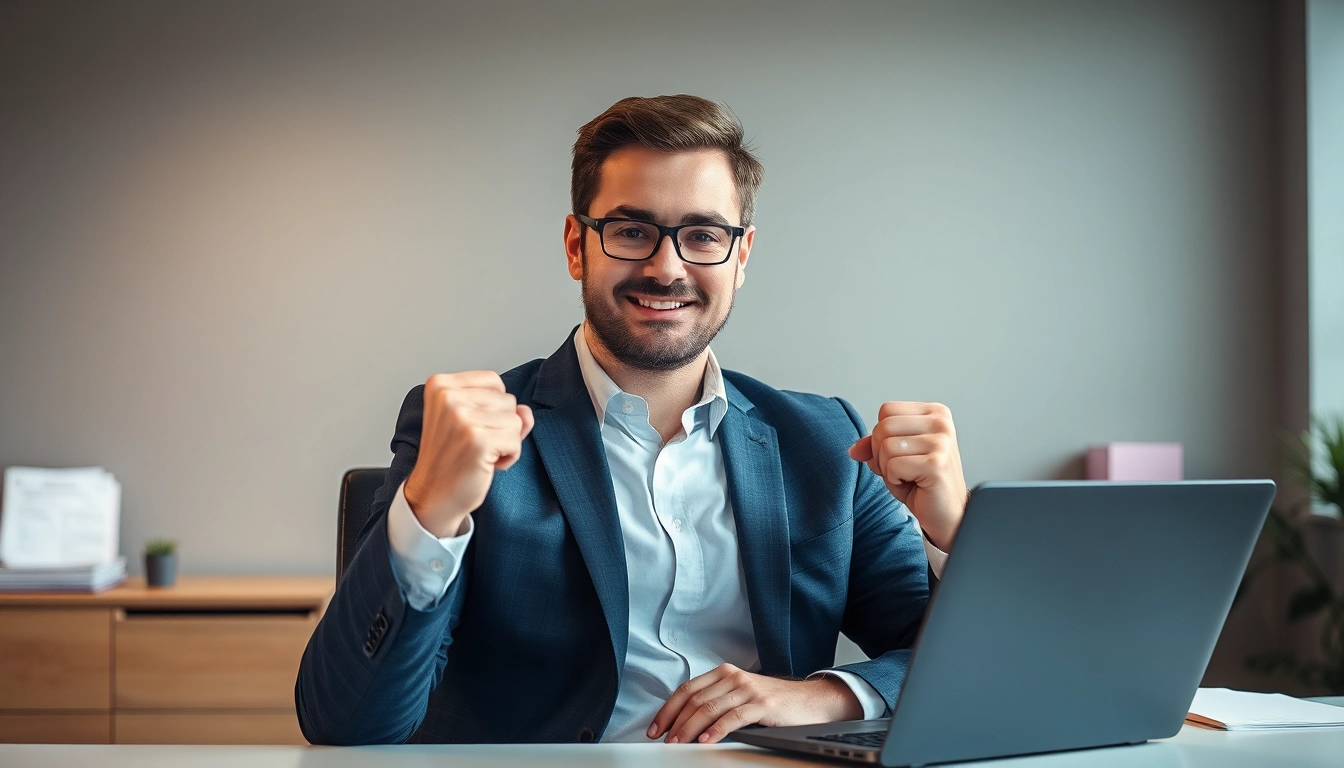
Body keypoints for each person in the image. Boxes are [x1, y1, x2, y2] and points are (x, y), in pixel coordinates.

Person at [295, 94, 969, 746]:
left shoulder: (824, 441)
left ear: (742, 256)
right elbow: (347, 724)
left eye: (703, 234)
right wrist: (429, 512)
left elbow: (958, 667)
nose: (665, 266)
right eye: (631, 230)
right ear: (575, 245)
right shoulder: (465, 429)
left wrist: (953, 540)